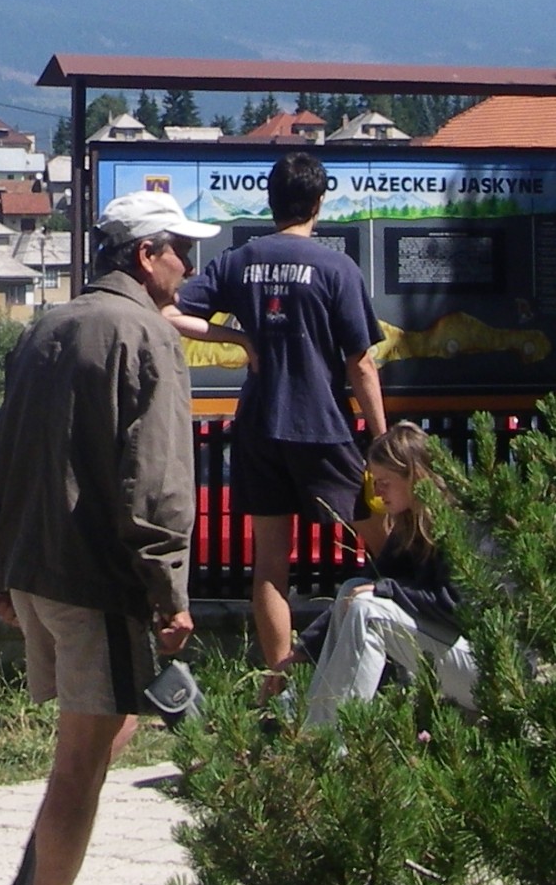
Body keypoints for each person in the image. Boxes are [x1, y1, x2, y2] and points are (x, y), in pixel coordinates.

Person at [0, 190, 205, 885]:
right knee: (81, 759)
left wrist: (0, 568)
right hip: (94, 577)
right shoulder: (147, 334)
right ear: (146, 255)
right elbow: (156, 482)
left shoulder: (48, 325)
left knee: (108, 724)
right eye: (180, 250)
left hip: (36, 572)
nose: (190, 265)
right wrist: (169, 593)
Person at [164, 149, 389, 687]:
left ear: (271, 202)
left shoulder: (239, 260)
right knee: (389, 550)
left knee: (270, 564)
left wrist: (239, 337)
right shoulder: (336, 267)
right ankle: (394, 664)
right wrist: (382, 440)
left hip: (260, 426)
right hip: (322, 426)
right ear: (318, 202)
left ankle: (278, 682)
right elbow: (360, 363)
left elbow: (169, 311)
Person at [300, 423, 476, 727]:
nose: (377, 491)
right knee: (355, 588)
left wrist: (388, 590)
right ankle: (315, 731)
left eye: (384, 482)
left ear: (414, 477)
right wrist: (303, 649)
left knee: (368, 611)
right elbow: (370, 582)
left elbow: (456, 606)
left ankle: (335, 739)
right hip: (453, 653)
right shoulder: (410, 527)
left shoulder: (458, 526)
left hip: (491, 667)